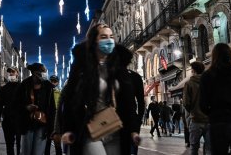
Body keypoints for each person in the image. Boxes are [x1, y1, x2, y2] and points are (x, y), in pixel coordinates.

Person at [58, 23, 141, 155]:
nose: (108, 40)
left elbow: (129, 100)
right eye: (103, 37)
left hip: (116, 128)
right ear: (94, 41)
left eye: (111, 36)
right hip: (90, 129)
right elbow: (70, 99)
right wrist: (68, 129)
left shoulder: (118, 65)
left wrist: (133, 129)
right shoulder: (81, 66)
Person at [15, 63, 56, 155]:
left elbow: (52, 108)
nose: (44, 74)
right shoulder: (24, 85)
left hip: (42, 124)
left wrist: (51, 127)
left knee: (38, 152)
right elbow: (16, 104)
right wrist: (26, 107)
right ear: (34, 73)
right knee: (26, 151)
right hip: (27, 123)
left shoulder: (48, 87)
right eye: (41, 72)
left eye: (44, 72)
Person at [183, 61, 210, 155]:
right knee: (209, 148)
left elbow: (186, 103)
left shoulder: (189, 84)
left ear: (193, 70)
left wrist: (192, 111)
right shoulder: (209, 82)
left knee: (194, 148)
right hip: (209, 120)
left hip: (196, 120)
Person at [0, 66, 21, 155]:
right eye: (10, 72)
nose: (11, 73)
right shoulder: (4, 88)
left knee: (20, 144)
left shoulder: (22, 87)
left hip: (19, 120)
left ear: (17, 73)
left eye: (13, 72)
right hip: (8, 120)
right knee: (9, 145)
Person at [45, 75, 62, 155]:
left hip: (56, 120)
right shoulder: (46, 92)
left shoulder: (60, 93)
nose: (52, 83)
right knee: (47, 143)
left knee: (57, 143)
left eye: (54, 81)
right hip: (48, 119)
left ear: (58, 83)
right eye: (51, 81)